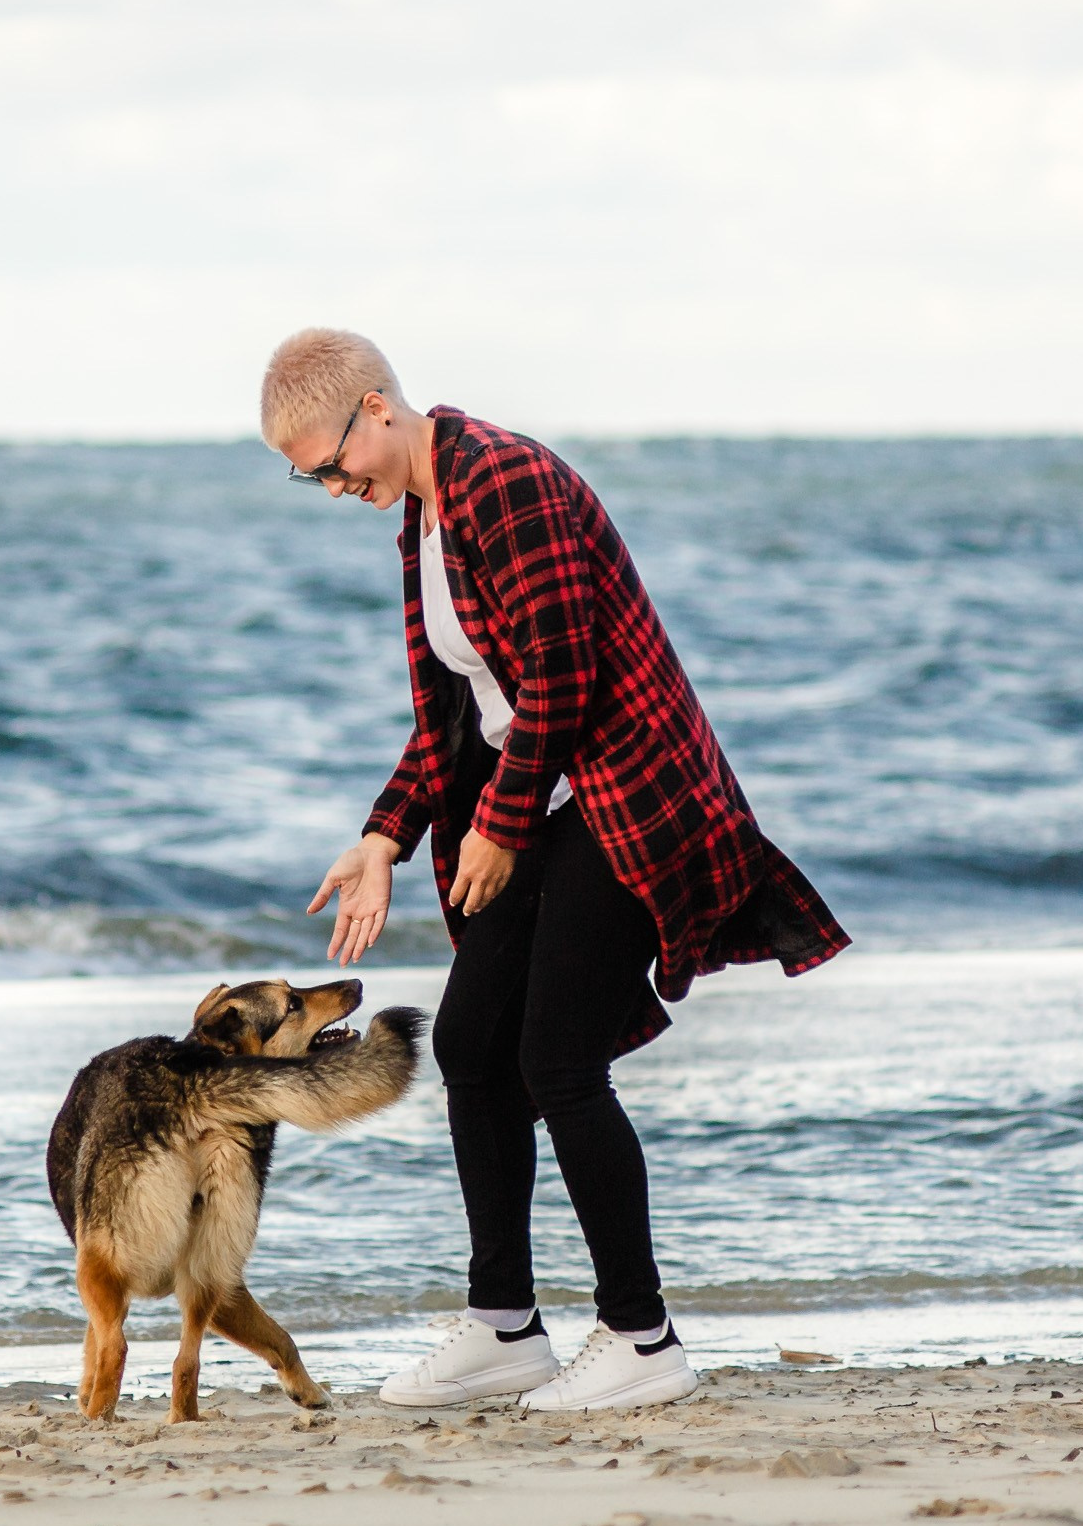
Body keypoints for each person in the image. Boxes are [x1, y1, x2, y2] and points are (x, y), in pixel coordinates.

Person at [263, 329, 849, 1413]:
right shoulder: (423, 519)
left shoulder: (505, 482)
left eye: (329, 464)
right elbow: (457, 705)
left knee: (555, 1059)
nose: (330, 485)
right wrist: (387, 833)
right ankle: (504, 1329)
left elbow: (561, 675)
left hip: (627, 797)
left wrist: (497, 822)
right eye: (310, 478)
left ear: (376, 409)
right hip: (540, 798)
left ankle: (642, 1338)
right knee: (470, 1044)